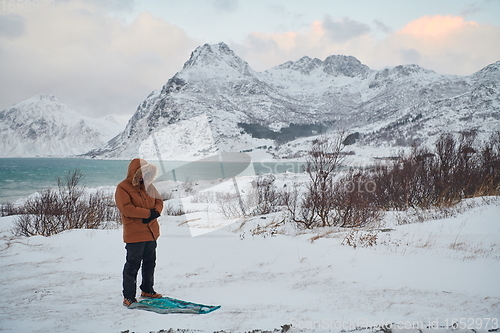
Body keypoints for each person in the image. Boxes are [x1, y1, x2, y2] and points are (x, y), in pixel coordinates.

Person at [115, 158, 164, 307]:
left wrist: (156, 212)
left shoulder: (148, 186)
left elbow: (159, 201)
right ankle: (129, 297)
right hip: (135, 234)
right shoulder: (123, 188)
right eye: (141, 172)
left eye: (146, 172)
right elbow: (126, 208)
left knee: (150, 263)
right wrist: (148, 214)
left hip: (151, 233)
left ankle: (147, 290)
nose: (144, 175)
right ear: (134, 172)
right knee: (132, 265)